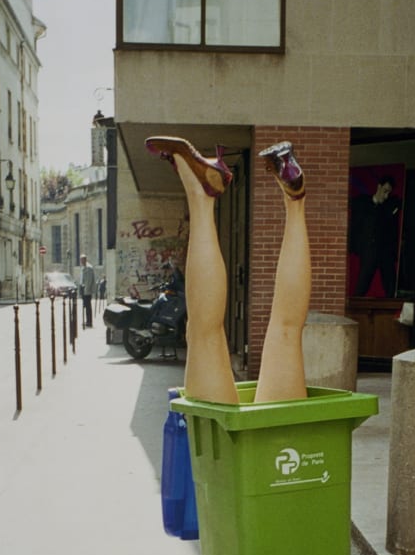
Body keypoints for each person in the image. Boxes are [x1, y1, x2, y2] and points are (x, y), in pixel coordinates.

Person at [145, 136, 310, 405]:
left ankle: (292, 201)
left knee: (207, 334)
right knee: (284, 332)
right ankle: (288, 194)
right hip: (283, 430)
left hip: (281, 429)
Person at [351, 176, 401, 298]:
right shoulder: (363, 203)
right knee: (362, 286)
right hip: (369, 252)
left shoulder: (389, 206)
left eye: (388, 193)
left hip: (385, 253)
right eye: (385, 191)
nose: (386, 196)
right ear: (379, 187)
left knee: (391, 287)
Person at [79, 254, 96, 327]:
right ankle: (87, 321)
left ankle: (89, 322)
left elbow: (89, 281)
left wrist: (86, 291)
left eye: (82, 260)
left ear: (85, 260)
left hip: (87, 291)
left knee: (88, 307)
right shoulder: (83, 267)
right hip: (84, 290)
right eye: (80, 260)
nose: (81, 261)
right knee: (86, 306)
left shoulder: (88, 268)